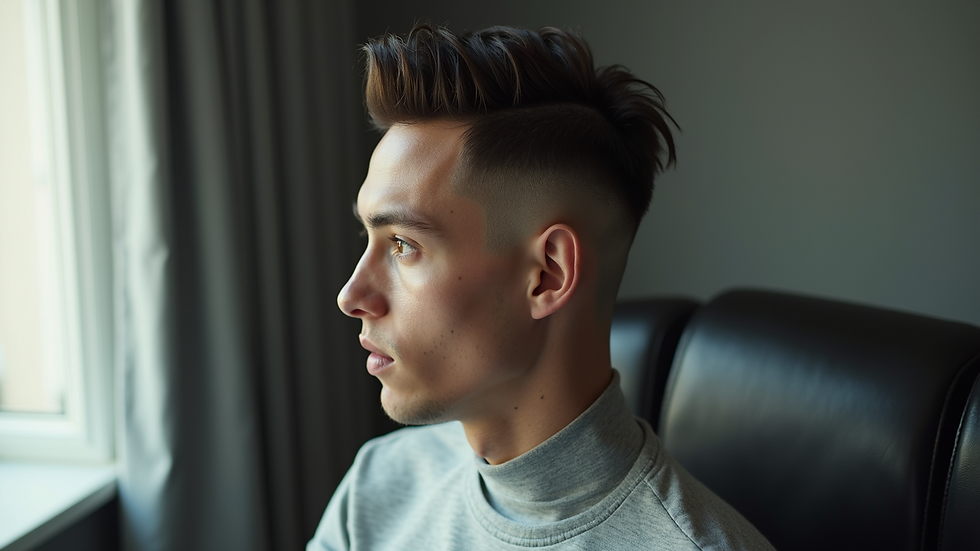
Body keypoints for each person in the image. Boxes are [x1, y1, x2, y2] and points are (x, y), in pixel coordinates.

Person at [308, 23, 774, 550]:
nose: (351, 296)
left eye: (402, 245)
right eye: (370, 236)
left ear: (548, 275)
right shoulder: (378, 487)